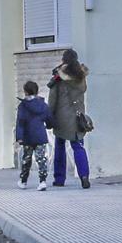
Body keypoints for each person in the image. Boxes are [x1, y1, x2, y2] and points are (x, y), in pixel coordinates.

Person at [47, 49, 92, 189]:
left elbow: (52, 99)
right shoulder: (81, 75)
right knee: (78, 147)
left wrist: (49, 116)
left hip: (61, 118)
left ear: (63, 60)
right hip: (78, 117)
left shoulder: (59, 77)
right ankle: (84, 177)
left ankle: (59, 179)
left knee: (60, 147)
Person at [15, 81, 53, 191]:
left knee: (26, 159)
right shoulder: (43, 105)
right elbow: (49, 118)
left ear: (25, 91)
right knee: (41, 159)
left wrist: (19, 137)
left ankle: (23, 181)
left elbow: (20, 123)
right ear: (37, 91)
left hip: (27, 136)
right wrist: (50, 126)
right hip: (40, 135)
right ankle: (42, 181)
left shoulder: (23, 106)